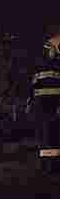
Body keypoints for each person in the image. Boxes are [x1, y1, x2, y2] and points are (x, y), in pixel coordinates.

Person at [31, 32, 60, 174]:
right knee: (47, 135)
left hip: (49, 104)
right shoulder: (41, 65)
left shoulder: (43, 64)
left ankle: (50, 166)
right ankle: (49, 166)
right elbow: (34, 86)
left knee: (50, 135)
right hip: (44, 105)